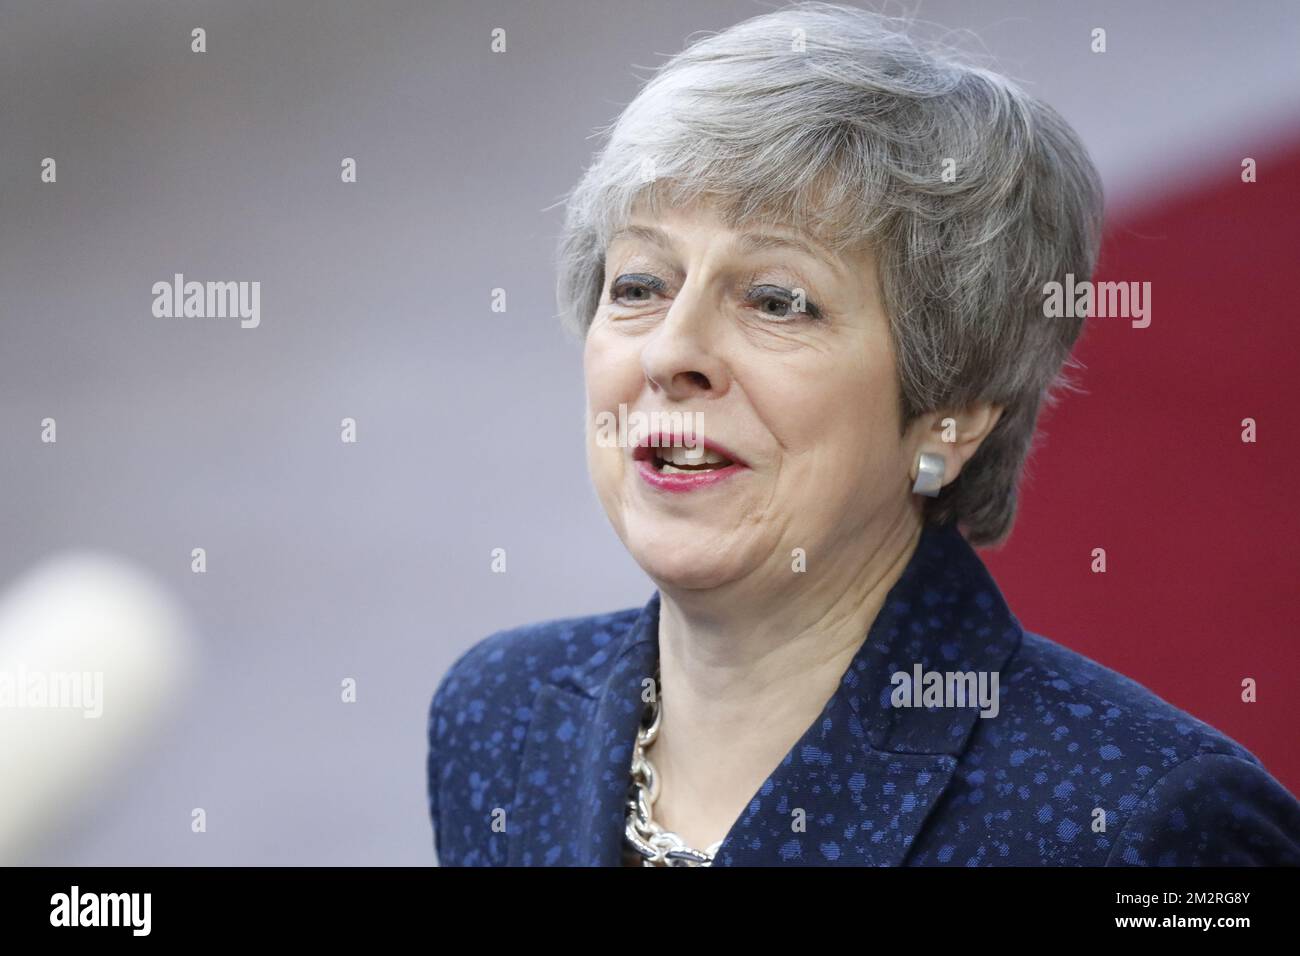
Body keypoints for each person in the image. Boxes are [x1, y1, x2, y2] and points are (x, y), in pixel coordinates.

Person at [427, 1, 1300, 866]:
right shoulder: (501, 715)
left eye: (776, 300)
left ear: (950, 410)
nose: (671, 351)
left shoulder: (1144, 823)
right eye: (640, 285)